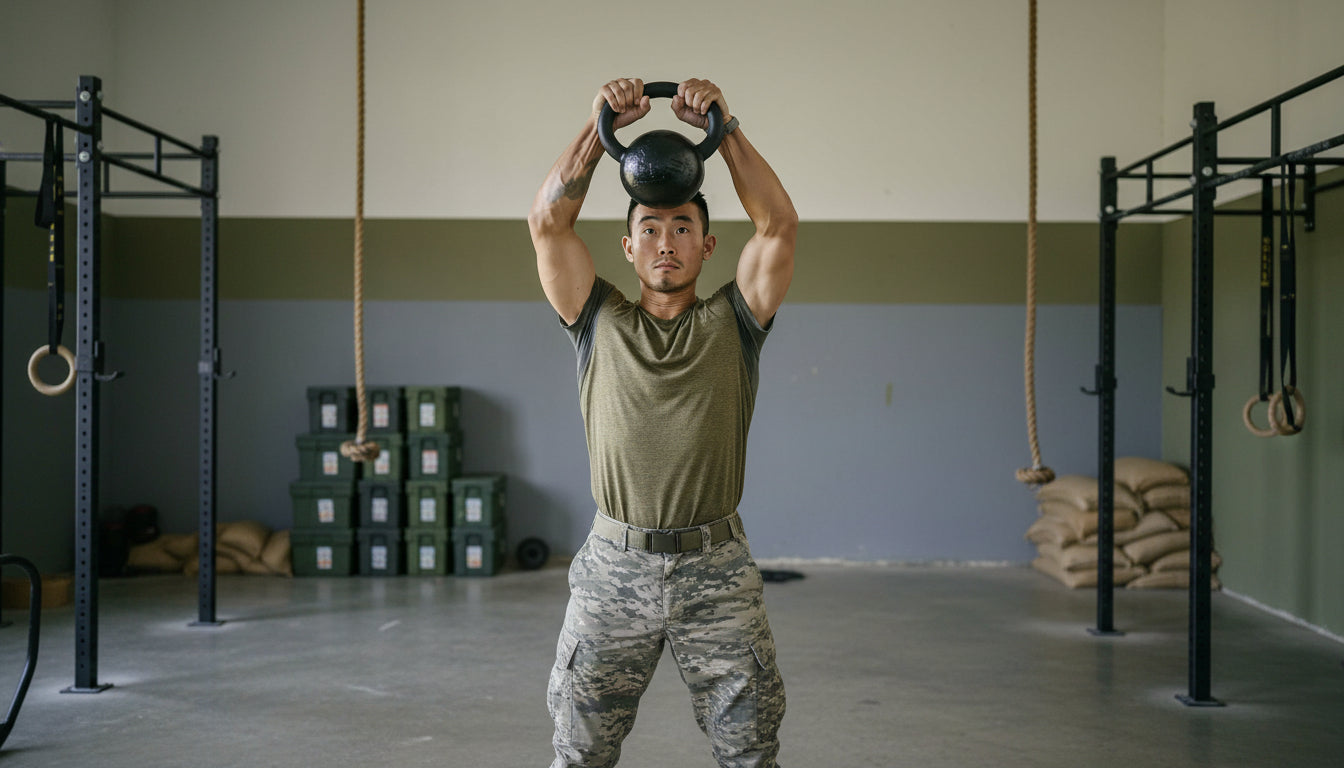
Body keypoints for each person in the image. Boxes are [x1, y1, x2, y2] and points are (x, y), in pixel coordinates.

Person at [528, 77, 797, 768]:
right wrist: (599, 127)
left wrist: (724, 127)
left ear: (708, 249)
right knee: (579, 754)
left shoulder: (735, 323)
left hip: (717, 569)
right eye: (650, 228)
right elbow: (548, 223)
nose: (666, 241)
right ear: (628, 246)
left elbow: (778, 225)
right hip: (613, 570)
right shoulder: (598, 320)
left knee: (750, 753)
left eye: (683, 227)